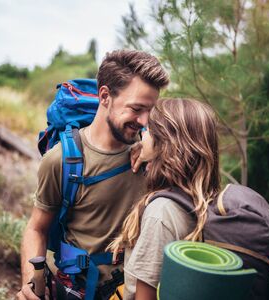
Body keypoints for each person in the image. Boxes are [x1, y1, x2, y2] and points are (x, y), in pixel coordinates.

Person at [17, 50, 169, 300]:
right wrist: (30, 283)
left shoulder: (153, 153)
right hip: (75, 287)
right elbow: (37, 227)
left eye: (150, 111)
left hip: (130, 290)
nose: (144, 121)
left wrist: (160, 148)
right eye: (137, 109)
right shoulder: (61, 160)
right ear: (105, 96)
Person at [109, 98, 221, 300]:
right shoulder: (208, 200)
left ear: (165, 143)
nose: (142, 134)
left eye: (150, 130)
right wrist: (149, 158)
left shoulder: (161, 213)